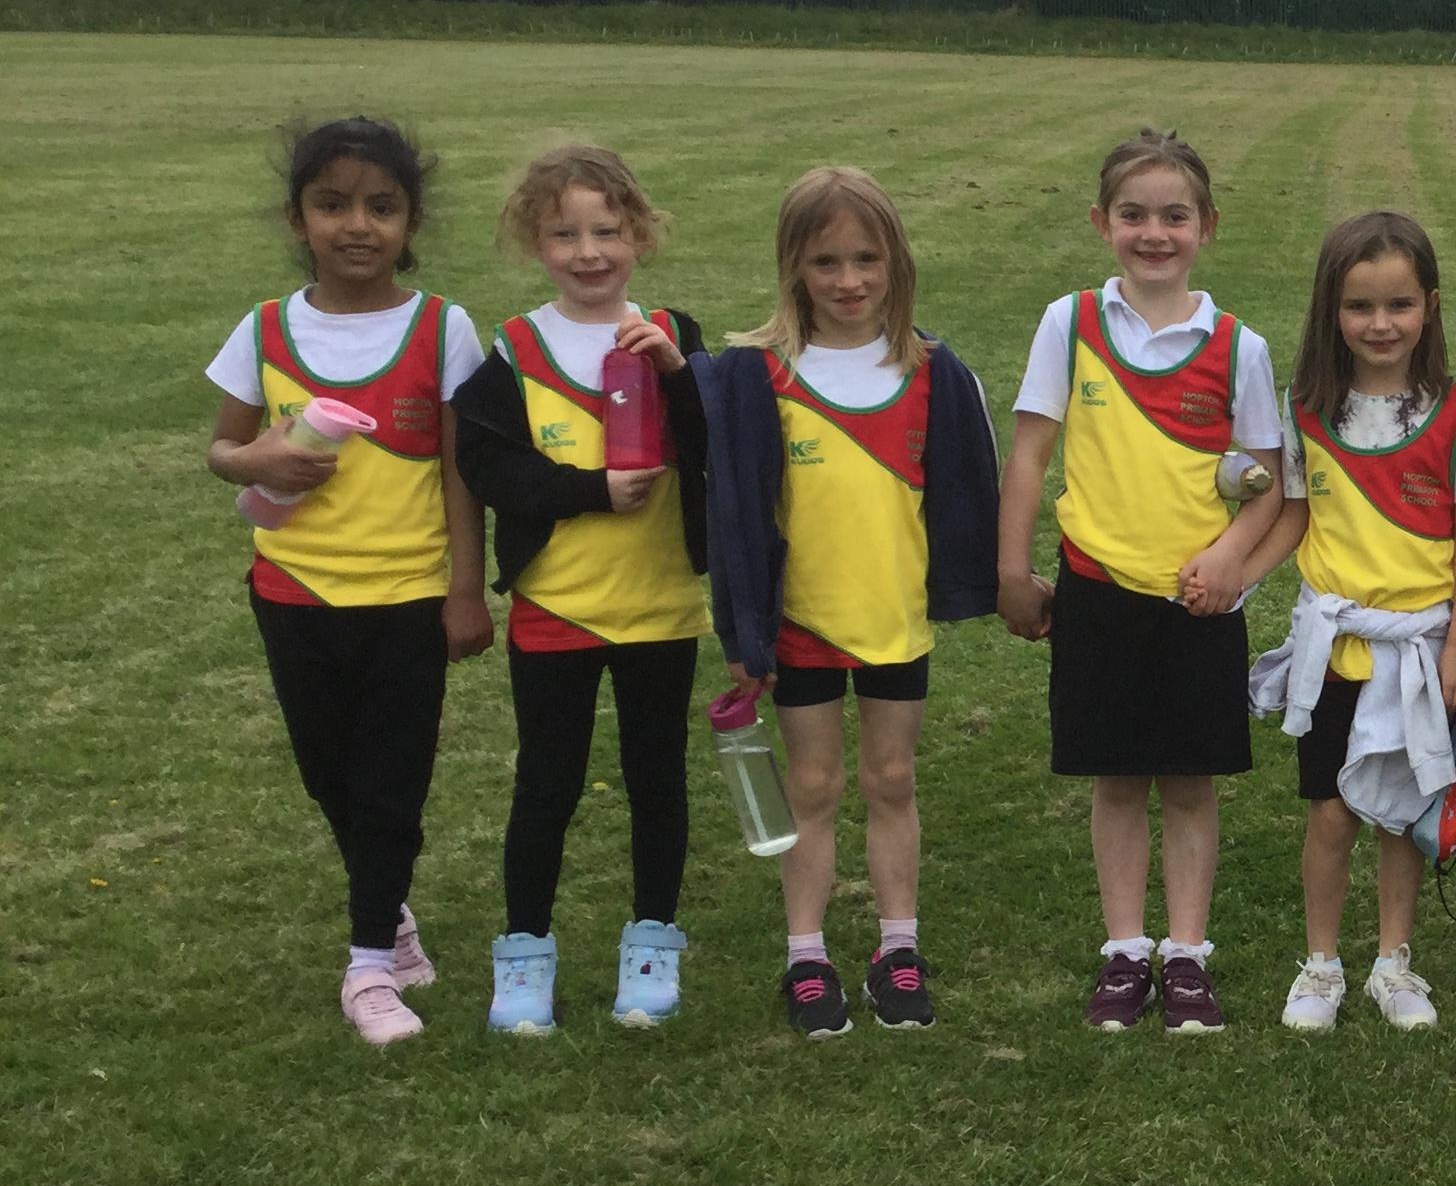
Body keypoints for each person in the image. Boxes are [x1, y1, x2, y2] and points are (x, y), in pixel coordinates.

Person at [203, 117, 490, 1046]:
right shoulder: (265, 328)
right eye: (332, 205)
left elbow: (462, 473)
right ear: (299, 219)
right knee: (330, 775)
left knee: (392, 781)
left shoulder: (443, 328)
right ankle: (389, 909)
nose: (357, 225)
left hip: (407, 598)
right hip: (293, 594)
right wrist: (258, 461)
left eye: (381, 206)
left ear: (412, 222)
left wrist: (466, 590)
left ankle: (368, 966)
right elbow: (222, 449)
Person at [998, 128, 1286, 1035]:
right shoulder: (1070, 323)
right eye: (1133, 215)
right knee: (1117, 780)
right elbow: (1030, 454)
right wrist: (1011, 570)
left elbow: (1270, 485)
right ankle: (1125, 951)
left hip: (1198, 605)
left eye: (1175, 216)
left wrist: (1228, 561)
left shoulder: (1239, 346)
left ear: (1208, 225)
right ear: (1101, 222)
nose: (1154, 233)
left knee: (1192, 783)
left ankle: (1187, 956)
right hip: (1095, 593)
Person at [704, 167, 1000, 1037]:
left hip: (893, 619)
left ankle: (898, 948)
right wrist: (744, 630)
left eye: (866, 259)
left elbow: (968, 493)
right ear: (792, 267)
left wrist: (993, 585)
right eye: (824, 261)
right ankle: (807, 955)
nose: (847, 281)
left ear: (896, 261)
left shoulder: (934, 372)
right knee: (813, 785)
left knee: (892, 779)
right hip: (799, 627)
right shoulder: (757, 373)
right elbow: (733, 514)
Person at [454, 144, 710, 1033]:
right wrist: (589, 491)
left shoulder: (672, 334)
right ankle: (524, 957)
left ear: (641, 233)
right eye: (565, 234)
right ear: (536, 243)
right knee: (546, 785)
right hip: (556, 609)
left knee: (656, 780)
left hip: (660, 605)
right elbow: (488, 466)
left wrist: (678, 373)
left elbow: (717, 446)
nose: (589, 252)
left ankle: (652, 947)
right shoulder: (515, 351)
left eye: (607, 230)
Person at [1249, 210, 1456, 1035]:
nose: (1380, 324)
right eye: (1359, 306)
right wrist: (1235, 575)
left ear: (1430, 307)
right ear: (1331, 310)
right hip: (1336, 650)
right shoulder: (1307, 409)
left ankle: (1393, 962)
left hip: (1418, 650)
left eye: (1399, 305)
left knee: (1399, 814)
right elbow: (1293, 514)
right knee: (1329, 812)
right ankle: (1320, 964)